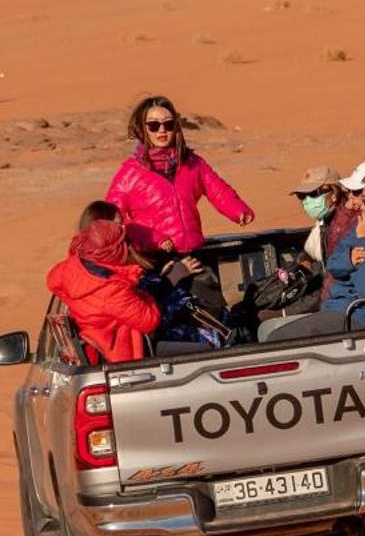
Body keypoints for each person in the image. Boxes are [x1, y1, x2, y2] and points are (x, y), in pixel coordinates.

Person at [262, 163, 365, 341]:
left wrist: (364, 240)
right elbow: (333, 265)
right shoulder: (361, 225)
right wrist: (349, 259)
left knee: (278, 338)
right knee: (267, 330)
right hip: (337, 309)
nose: (360, 207)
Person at [105, 94, 255, 255]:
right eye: (154, 125)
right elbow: (112, 220)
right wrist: (152, 238)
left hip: (194, 252)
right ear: (142, 129)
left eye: (168, 124)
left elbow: (218, 190)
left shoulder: (193, 163)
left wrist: (238, 210)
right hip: (154, 258)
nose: (162, 130)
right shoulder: (129, 173)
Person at [45, 201, 163, 363]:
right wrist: (151, 291)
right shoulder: (111, 287)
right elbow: (149, 321)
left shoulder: (75, 266)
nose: (124, 229)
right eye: (118, 226)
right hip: (119, 350)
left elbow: (53, 281)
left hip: (97, 335)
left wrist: (86, 308)